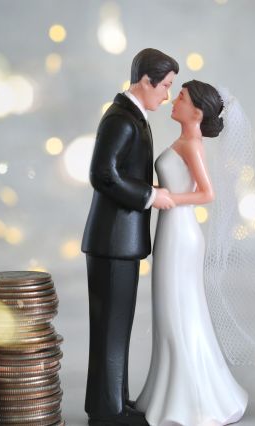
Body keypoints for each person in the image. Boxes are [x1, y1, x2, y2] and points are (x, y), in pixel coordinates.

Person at [136, 80, 251, 425]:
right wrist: (158, 192)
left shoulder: (192, 144)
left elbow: (206, 193)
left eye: (181, 97)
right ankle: (167, 392)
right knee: (170, 311)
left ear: (197, 113)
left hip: (181, 232)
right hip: (171, 229)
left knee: (179, 312)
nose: (174, 99)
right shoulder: (184, 142)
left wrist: (167, 198)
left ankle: (191, 400)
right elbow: (180, 185)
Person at [81, 48, 179, 426]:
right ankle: (109, 412)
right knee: (110, 328)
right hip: (112, 240)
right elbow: (102, 175)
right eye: (166, 86)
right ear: (145, 81)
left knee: (115, 328)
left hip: (119, 240)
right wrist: (150, 195)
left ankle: (112, 402)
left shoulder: (132, 116)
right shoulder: (121, 119)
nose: (167, 95)